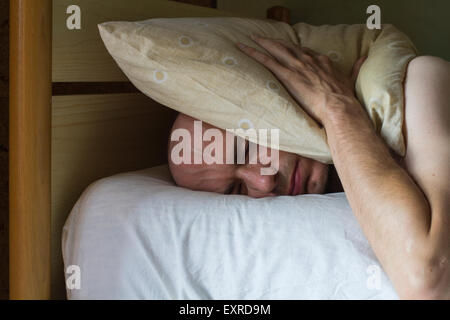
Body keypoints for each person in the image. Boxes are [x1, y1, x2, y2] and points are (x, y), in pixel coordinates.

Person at [167, 34, 449, 299]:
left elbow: (429, 279)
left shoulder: (419, 83)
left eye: (247, 149)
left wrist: (338, 108)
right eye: (236, 190)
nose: (263, 182)